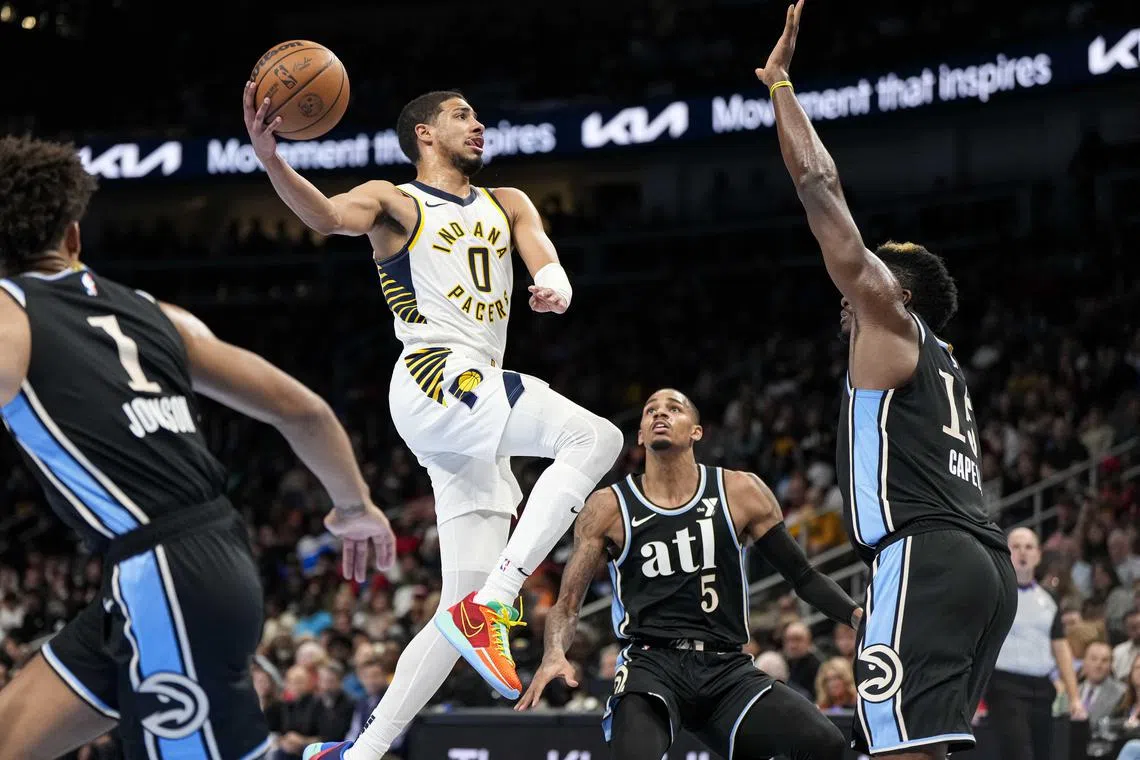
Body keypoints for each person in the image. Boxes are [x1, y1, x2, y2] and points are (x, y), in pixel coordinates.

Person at [242, 86, 624, 759]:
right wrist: (273, 162)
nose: (479, 125)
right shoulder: (394, 201)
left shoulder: (509, 202)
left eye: (478, 115)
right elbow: (328, 216)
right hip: (436, 374)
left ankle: (358, 754)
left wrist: (555, 284)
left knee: (457, 606)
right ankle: (500, 602)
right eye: (462, 115)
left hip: (468, 401)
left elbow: (543, 255)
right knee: (597, 437)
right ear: (423, 133)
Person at [0, 135, 396, 760]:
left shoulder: (9, 314)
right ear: (73, 235)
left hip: (167, 571)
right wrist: (353, 506)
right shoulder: (156, 313)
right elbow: (302, 408)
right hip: (182, 563)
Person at [753, 4, 1018, 757]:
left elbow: (819, 184)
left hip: (926, 553)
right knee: (922, 744)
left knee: (899, 749)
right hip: (982, 565)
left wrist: (780, 88)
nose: (848, 294)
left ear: (896, 293)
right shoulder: (943, 364)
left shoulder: (891, 325)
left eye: (865, 283)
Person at [517, 388, 860, 760]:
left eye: (674, 409)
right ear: (641, 435)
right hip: (651, 664)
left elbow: (803, 576)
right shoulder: (607, 506)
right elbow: (567, 605)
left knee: (824, 743)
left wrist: (856, 616)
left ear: (696, 431)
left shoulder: (740, 491)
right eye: (650, 411)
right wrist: (553, 652)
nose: (659, 415)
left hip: (726, 666)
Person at [986, 528, 1086, 760]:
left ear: (1038, 555)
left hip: (1042, 690)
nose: (1022, 552)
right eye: (1016, 546)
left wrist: (1074, 697)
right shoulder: (994, 593)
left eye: (1029, 547)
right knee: (1019, 753)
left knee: (1044, 754)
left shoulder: (1049, 600)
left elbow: (1060, 649)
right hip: (1004, 687)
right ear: (1005, 551)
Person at [1077, 641, 1125, 723]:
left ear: (1111, 665)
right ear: (1084, 662)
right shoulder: (1073, 691)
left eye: (1104, 660)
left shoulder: (1122, 692)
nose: (1098, 665)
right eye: (1093, 659)